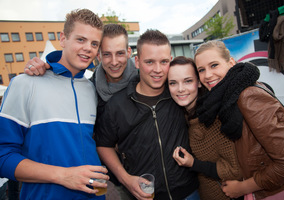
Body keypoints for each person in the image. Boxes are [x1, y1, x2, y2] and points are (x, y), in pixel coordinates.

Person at [0, 8, 109, 200]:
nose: (88, 48)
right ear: (62, 38)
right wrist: (64, 176)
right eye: (80, 39)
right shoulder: (24, 84)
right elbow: (3, 157)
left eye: (94, 43)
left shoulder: (91, 89)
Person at [24, 23, 139, 199]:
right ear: (99, 55)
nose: (114, 62)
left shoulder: (143, 81)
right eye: (107, 54)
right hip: (115, 179)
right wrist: (48, 69)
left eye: (120, 53)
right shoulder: (91, 89)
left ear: (129, 53)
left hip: (152, 172)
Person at [94, 30, 200, 200]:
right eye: (149, 62)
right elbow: (103, 144)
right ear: (136, 61)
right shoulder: (117, 105)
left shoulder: (179, 95)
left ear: (170, 61)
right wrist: (125, 179)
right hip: (145, 195)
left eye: (163, 62)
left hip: (189, 192)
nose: (157, 70)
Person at [194, 40, 284, 199]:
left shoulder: (247, 96)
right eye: (201, 70)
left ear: (231, 63)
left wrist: (243, 187)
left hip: (279, 192)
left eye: (214, 65)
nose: (207, 75)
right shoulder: (229, 98)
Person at [169, 56, 242, 200]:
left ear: (199, 83)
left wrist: (193, 163)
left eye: (188, 81)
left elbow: (236, 170)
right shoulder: (182, 114)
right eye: (173, 83)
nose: (180, 89)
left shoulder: (215, 117)